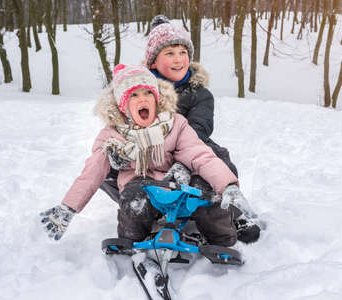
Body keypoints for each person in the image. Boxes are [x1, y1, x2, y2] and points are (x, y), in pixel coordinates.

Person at [40, 64, 250, 247]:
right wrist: (68, 207)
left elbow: (200, 155)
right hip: (142, 186)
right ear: (123, 105)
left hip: (178, 183)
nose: (143, 99)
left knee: (208, 193)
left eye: (148, 93)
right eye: (134, 95)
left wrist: (227, 185)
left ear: (156, 98)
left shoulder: (175, 123)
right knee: (134, 200)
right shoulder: (112, 135)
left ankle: (222, 240)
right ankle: (132, 240)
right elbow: (92, 172)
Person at [100, 15, 260, 244]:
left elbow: (199, 129)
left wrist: (181, 162)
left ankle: (232, 213)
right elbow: (121, 120)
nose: (178, 59)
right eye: (169, 53)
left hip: (191, 145)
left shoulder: (199, 93)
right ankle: (143, 208)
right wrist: (120, 151)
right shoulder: (139, 90)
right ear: (153, 61)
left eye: (182, 52)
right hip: (148, 150)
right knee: (106, 166)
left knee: (220, 161)